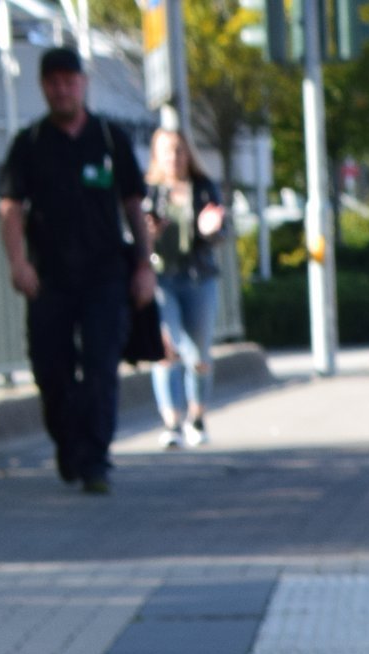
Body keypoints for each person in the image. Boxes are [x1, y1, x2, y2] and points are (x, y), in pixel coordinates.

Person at [0, 46, 150, 494]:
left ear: (83, 84)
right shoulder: (29, 145)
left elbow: (134, 206)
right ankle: (69, 444)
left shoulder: (108, 138)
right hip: (50, 278)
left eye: (70, 80)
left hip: (105, 275)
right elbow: (10, 208)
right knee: (52, 370)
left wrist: (143, 266)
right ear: (44, 87)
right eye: (54, 82)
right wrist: (18, 262)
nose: (63, 89)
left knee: (101, 366)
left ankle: (96, 460)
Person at [143, 124, 227, 449]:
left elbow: (221, 230)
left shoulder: (204, 187)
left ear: (188, 153)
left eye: (179, 150)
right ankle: (172, 423)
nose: (174, 157)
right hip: (162, 278)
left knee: (200, 353)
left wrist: (212, 228)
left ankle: (197, 417)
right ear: (157, 156)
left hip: (198, 278)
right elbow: (134, 235)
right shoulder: (149, 191)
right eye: (167, 151)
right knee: (165, 349)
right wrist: (146, 234)